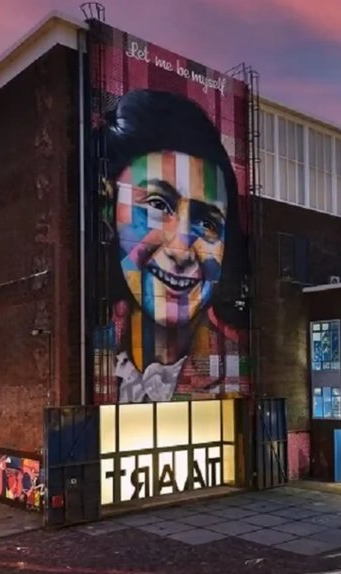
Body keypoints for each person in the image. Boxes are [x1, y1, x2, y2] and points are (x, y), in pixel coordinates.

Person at [94, 89, 248, 403]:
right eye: (158, 205)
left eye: (207, 223)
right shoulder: (89, 349)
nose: (180, 250)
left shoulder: (234, 373)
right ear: (110, 208)